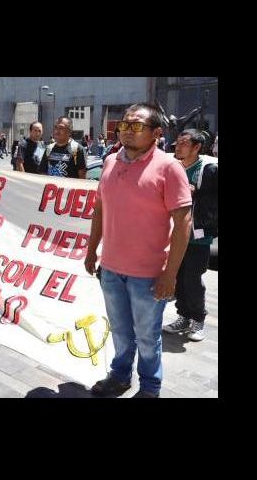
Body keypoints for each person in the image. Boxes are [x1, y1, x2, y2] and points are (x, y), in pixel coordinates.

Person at [84, 103, 193, 398]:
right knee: (119, 331)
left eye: (136, 126)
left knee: (147, 336)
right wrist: (92, 251)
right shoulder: (110, 162)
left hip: (148, 275)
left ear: (156, 133)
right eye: (124, 125)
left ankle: (150, 387)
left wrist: (170, 274)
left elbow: (183, 224)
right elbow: (99, 210)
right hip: (111, 269)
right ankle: (120, 376)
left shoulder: (169, 167)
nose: (127, 131)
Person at [163, 129, 218, 341]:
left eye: (184, 143)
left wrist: (197, 193)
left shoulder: (208, 169)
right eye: (177, 143)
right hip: (175, 233)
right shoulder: (173, 167)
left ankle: (198, 319)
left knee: (192, 278)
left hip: (198, 236)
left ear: (197, 147)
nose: (178, 147)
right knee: (178, 276)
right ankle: (183, 316)